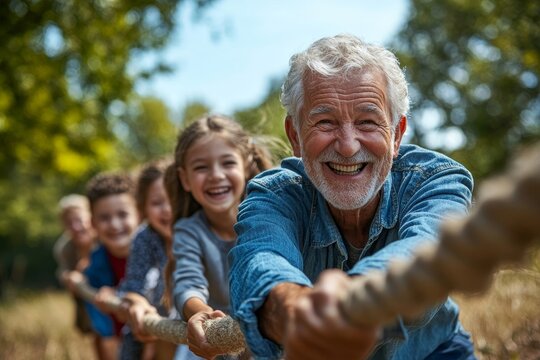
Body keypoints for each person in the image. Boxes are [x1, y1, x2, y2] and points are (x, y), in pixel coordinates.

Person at [228, 34, 476, 359]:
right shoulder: (273, 195)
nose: (348, 146)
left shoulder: (438, 181)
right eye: (325, 122)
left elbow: (428, 247)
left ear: (397, 134)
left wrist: (351, 298)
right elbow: (260, 258)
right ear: (295, 136)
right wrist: (293, 307)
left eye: (367, 122)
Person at [160, 115, 273, 359]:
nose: (216, 175)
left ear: (246, 166)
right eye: (201, 167)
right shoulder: (188, 231)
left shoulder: (268, 219)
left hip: (268, 339)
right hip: (212, 344)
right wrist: (202, 314)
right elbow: (188, 282)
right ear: (185, 179)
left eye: (228, 163)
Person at [113, 159, 178, 360]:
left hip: (200, 320)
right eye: (157, 203)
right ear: (144, 208)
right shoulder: (145, 236)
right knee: (133, 339)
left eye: (174, 199)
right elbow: (133, 285)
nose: (167, 209)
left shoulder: (201, 231)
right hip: (156, 322)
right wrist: (137, 303)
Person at [80, 172, 140, 360]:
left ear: (139, 214)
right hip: (118, 343)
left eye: (122, 215)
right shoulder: (96, 263)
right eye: (105, 218)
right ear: (93, 224)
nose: (115, 224)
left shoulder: (154, 254)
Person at [53, 194, 97, 334]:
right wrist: (68, 277)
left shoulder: (106, 237)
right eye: (69, 223)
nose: (76, 227)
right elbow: (63, 272)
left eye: (79, 220)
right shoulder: (65, 248)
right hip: (86, 305)